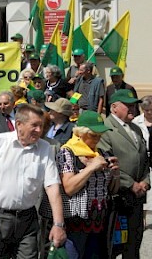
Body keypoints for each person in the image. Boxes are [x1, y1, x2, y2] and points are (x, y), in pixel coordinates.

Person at [0, 104, 66, 258]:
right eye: (34, 125)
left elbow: (52, 187)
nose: (39, 131)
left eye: (41, 126)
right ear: (19, 124)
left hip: (28, 220)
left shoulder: (45, 148)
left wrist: (58, 224)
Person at [55, 110, 119, 258]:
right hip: (76, 221)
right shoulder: (67, 152)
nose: (98, 139)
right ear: (80, 133)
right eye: (93, 135)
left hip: (99, 222)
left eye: (100, 135)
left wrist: (116, 174)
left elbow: (111, 190)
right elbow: (69, 188)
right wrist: (90, 168)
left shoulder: (102, 153)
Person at [98, 89, 150, 258]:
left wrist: (145, 181)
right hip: (117, 198)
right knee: (114, 245)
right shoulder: (105, 129)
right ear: (114, 107)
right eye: (127, 105)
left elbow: (144, 158)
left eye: (134, 105)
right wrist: (130, 184)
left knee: (133, 244)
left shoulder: (136, 128)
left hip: (137, 197)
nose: (133, 109)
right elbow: (107, 160)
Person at [132, 95, 152, 226]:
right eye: (146, 110)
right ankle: (142, 219)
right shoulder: (136, 122)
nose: (149, 113)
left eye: (151, 109)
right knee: (145, 189)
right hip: (143, 158)